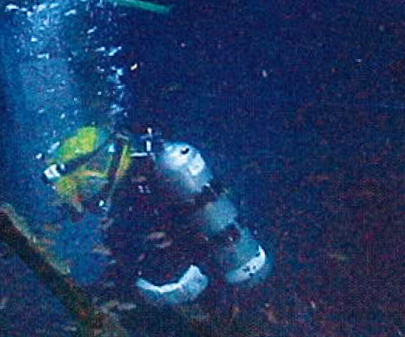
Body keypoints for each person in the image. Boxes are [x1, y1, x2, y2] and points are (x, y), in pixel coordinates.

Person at [45, 126, 270, 307]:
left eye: (81, 189)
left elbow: (131, 270)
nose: (84, 198)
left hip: (203, 289)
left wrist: (99, 296)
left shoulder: (129, 206)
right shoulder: (149, 176)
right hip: (221, 270)